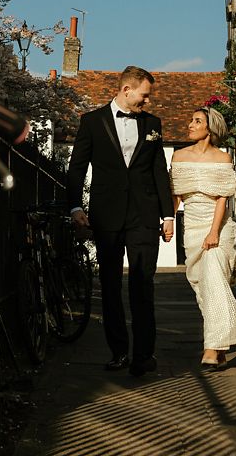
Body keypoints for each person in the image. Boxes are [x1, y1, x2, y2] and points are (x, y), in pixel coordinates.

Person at [67, 66, 172, 377]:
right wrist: (74, 207)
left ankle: (143, 355)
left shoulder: (153, 124)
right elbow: (76, 169)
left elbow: (158, 172)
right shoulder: (91, 122)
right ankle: (118, 352)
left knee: (143, 284)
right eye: (144, 95)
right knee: (111, 287)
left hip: (144, 215)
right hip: (107, 216)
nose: (147, 102)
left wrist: (167, 215)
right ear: (127, 90)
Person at [170, 106, 236, 369]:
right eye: (191, 120)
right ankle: (219, 348)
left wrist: (214, 232)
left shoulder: (223, 159)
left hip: (218, 227)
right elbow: (175, 195)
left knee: (216, 280)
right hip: (192, 227)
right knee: (202, 287)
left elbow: (222, 199)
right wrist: (169, 221)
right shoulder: (178, 156)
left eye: (197, 121)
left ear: (210, 128)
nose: (190, 125)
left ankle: (210, 348)